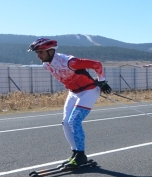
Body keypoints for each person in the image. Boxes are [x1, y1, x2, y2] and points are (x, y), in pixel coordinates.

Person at [28, 37, 112, 168]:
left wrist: (102, 81)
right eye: (37, 53)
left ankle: (81, 155)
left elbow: (97, 64)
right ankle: (75, 153)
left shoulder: (70, 62)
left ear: (50, 51)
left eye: (40, 52)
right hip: (73, 92)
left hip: (89, 91)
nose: (38, 56)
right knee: (66, 123)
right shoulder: (46, 65)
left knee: (74, 121)